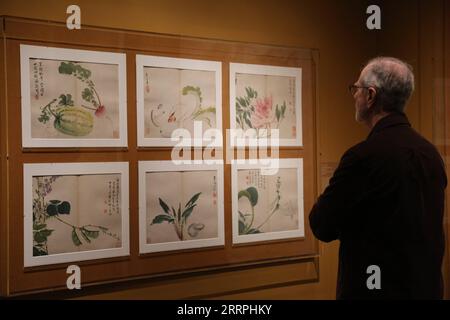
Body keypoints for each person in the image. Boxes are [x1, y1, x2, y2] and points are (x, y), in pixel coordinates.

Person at [309, 57, 447, 299]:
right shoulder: (430, 154)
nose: (354, 96)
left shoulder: (362, 157)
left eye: (357, 89)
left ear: (371, 96)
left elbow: (321, 224)